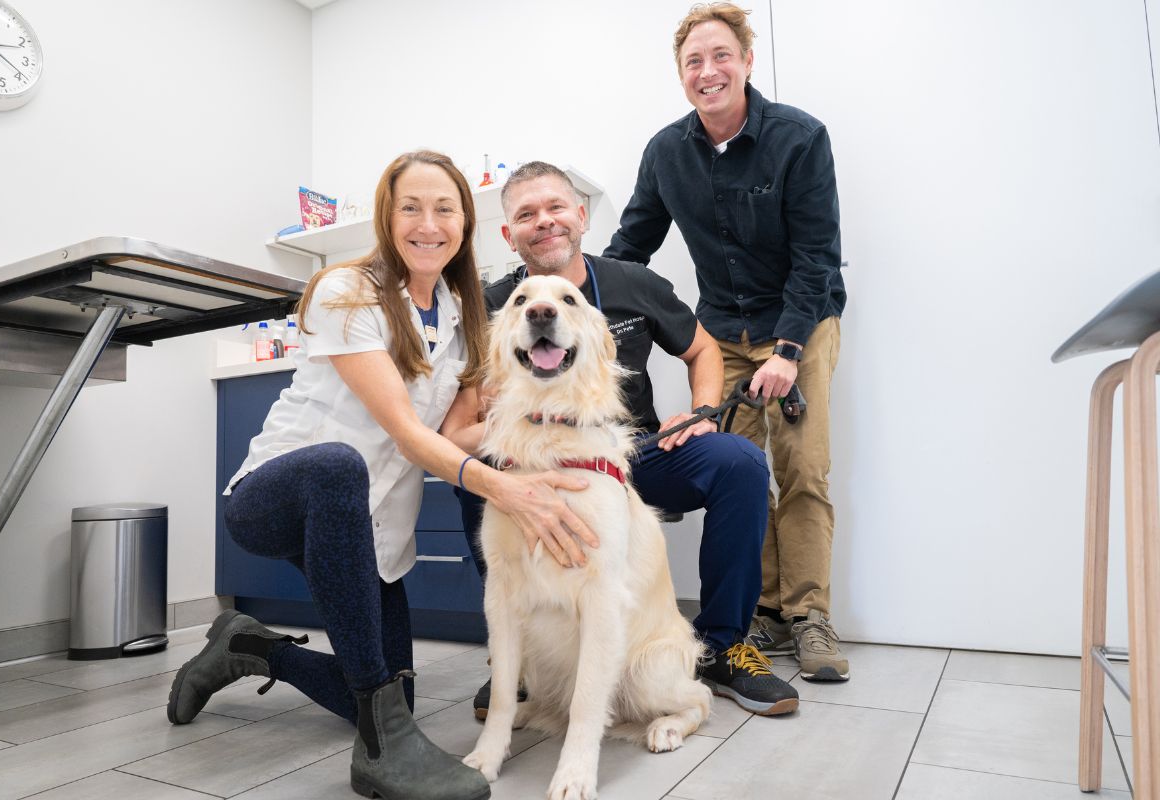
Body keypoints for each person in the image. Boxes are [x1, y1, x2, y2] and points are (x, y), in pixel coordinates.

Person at [166, 151, 600, 800]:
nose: (429, 224)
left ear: (464, 224)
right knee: (338, 469)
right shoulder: (351, 291)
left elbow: (462, 429)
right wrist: (505, 488)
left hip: (369, 529)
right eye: (411, 208)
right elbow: (404, 429)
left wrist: (561, 423)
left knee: (389, 691)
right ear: (386, 218)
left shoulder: (465, 317)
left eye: (445, 209)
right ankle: (380, 755)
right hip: (275, 497)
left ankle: (248, 648)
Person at [446, 162, 799, 717]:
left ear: (581, 216)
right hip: (546, 464)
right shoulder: (491, 306)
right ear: (507, 234)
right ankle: (518, 661)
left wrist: (703, 411)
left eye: (556, 207)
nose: (544, 222)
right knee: (480, 483)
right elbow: (458, 431)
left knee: (739, 461)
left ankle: (724, 645)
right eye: (526, 215)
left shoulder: (634, 282)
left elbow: (703, 349)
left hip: (636, 456)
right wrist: (508, 451)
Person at [603, 2, 849, 682]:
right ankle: (764, 611)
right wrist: (575, 298)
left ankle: (809, 618)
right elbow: (631, 249)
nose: (707, 72)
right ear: (681, 75)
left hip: (802, 323)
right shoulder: (666, 152)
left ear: (745, 61)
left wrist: (788, 351)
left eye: (720, 57)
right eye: (693, 62)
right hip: (723, 332)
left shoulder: (799, 138)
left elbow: (817, 257)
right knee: (741, 468)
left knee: (803, 469)